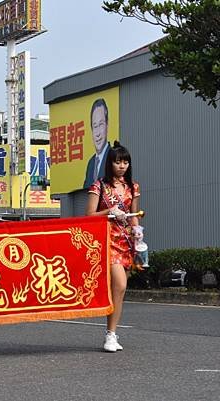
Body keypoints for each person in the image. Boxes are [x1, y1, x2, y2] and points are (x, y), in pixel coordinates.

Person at [86, 141, 140, 352]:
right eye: (118, 162)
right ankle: (110, 335)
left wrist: (138, 232)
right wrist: (109, 212)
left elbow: (134, 214)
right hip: (106, 240)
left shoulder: (132, 187)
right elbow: (89, 214)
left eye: (126, 162)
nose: (122, 166)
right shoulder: (99, 186)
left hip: (126, 241)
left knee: (119, 290)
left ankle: (112, 332)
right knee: (120, 284)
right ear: (110, 164)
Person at [84, 98, 111, 189]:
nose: (98, 133)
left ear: (107, 125)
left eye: (101, 125)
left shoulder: (114, 157)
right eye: (95, 126)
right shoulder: (91, 164)